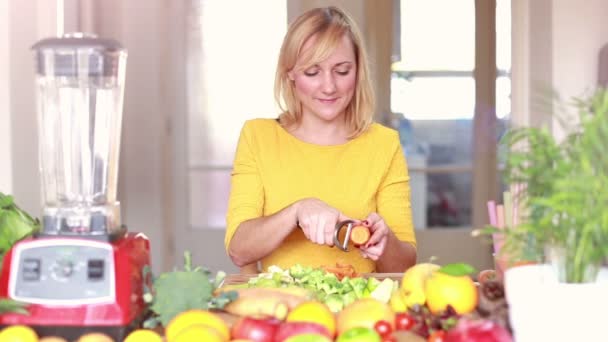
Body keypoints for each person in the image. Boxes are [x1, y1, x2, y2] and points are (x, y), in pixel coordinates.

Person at [225, 6, 417, 274]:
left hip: (361, 311)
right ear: (290, 72)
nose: (329, 87)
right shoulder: (258, 137)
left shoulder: (384, 144)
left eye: (341, 71)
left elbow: (405, 265)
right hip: (282, 309)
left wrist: (386, 243)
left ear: (358, 70)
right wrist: (297, 211)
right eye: (312, 72)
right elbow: (239, 249)